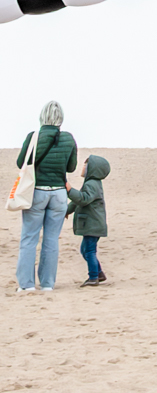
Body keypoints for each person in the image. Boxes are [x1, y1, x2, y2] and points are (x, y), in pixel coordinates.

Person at [15, 102, 78, 294]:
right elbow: (71, 167)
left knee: (29, 238)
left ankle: (27, 285)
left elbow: (21, 162)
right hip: (59, 194)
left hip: (37, 192)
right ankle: (47, 284)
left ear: (42, 116)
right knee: (51, 240)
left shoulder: (34, 137)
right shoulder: (68, 138)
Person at [65, 154, 109, 286]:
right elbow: (77, 201)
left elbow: (83, 199)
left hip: (93, 224)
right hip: (92, 224)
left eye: (85, 165)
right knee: (85, 250)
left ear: (92, 168)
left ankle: (93, 277)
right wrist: (67, 211)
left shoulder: (92, 184)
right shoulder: (90, 184)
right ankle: (99, 273)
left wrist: (70, 190)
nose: (83, 167)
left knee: (89, 251)